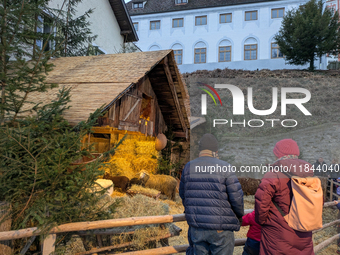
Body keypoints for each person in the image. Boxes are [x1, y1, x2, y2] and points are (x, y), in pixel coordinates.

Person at [179, 133, 244, 255]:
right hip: (221, 228)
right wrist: (239, 216)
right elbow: (237, 198)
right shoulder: (225, 167)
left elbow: (183, 194)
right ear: (216, 150)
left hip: (197, 227)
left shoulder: (188, 167)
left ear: (200, 150)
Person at [255, 138, 315, 255]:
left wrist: (264, 222)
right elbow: (317, 201)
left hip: (278, 233)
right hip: (304, 232)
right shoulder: (308, 175)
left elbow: (261, 204)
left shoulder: (273, 175)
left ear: (278, 154)